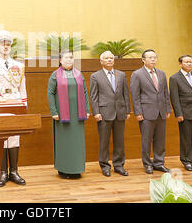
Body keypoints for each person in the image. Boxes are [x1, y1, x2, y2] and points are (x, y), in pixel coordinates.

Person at [0, 30, 27, 187]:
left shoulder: (19, 66)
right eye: (3, 43)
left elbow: (23, 88)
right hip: (0, 104)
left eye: (8, 43)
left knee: (15, 137)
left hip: (15, 102)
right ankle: (3, 172)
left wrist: (24, 105)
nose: (6, 46)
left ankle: (14, 171)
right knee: (2, 138)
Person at [47, 50, 90, 179]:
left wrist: (87, 110)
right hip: (62, 116)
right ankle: (64, 169)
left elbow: (85, 93)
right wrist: (54, 112)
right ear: (60, 60)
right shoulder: (55, 75)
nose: (69, 60)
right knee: (64, 144)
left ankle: (76, 169)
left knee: (77, 143)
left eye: (71, 57)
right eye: (66, 58)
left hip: (78, 115)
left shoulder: (78, 74)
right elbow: (50, 93)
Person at [89, 51, 131, 177]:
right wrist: (96, 112)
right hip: (103, 113)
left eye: (111, 58)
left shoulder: (121, 75)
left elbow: (125, 94)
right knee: (104, 141)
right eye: (106, 58)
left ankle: (119, 165)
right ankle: (105, 165)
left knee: (119, 141)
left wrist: (127, 110)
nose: (109, 60)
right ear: (101, 61)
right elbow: (94, 96)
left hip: (120, 112)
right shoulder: (95, 76)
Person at [130, 49, 171, 174]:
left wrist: (168, 108)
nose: (153, 60)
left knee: (160, 139)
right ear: (143, 60)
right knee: (146, 140)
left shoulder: (162, 74)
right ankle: (147, 164)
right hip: (146, 112)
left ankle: (159, 162)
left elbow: (165, 93)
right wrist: (138, 112)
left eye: (155, 57)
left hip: (161, 112)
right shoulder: (137, 74)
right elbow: (135, 95)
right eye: (150, 57)